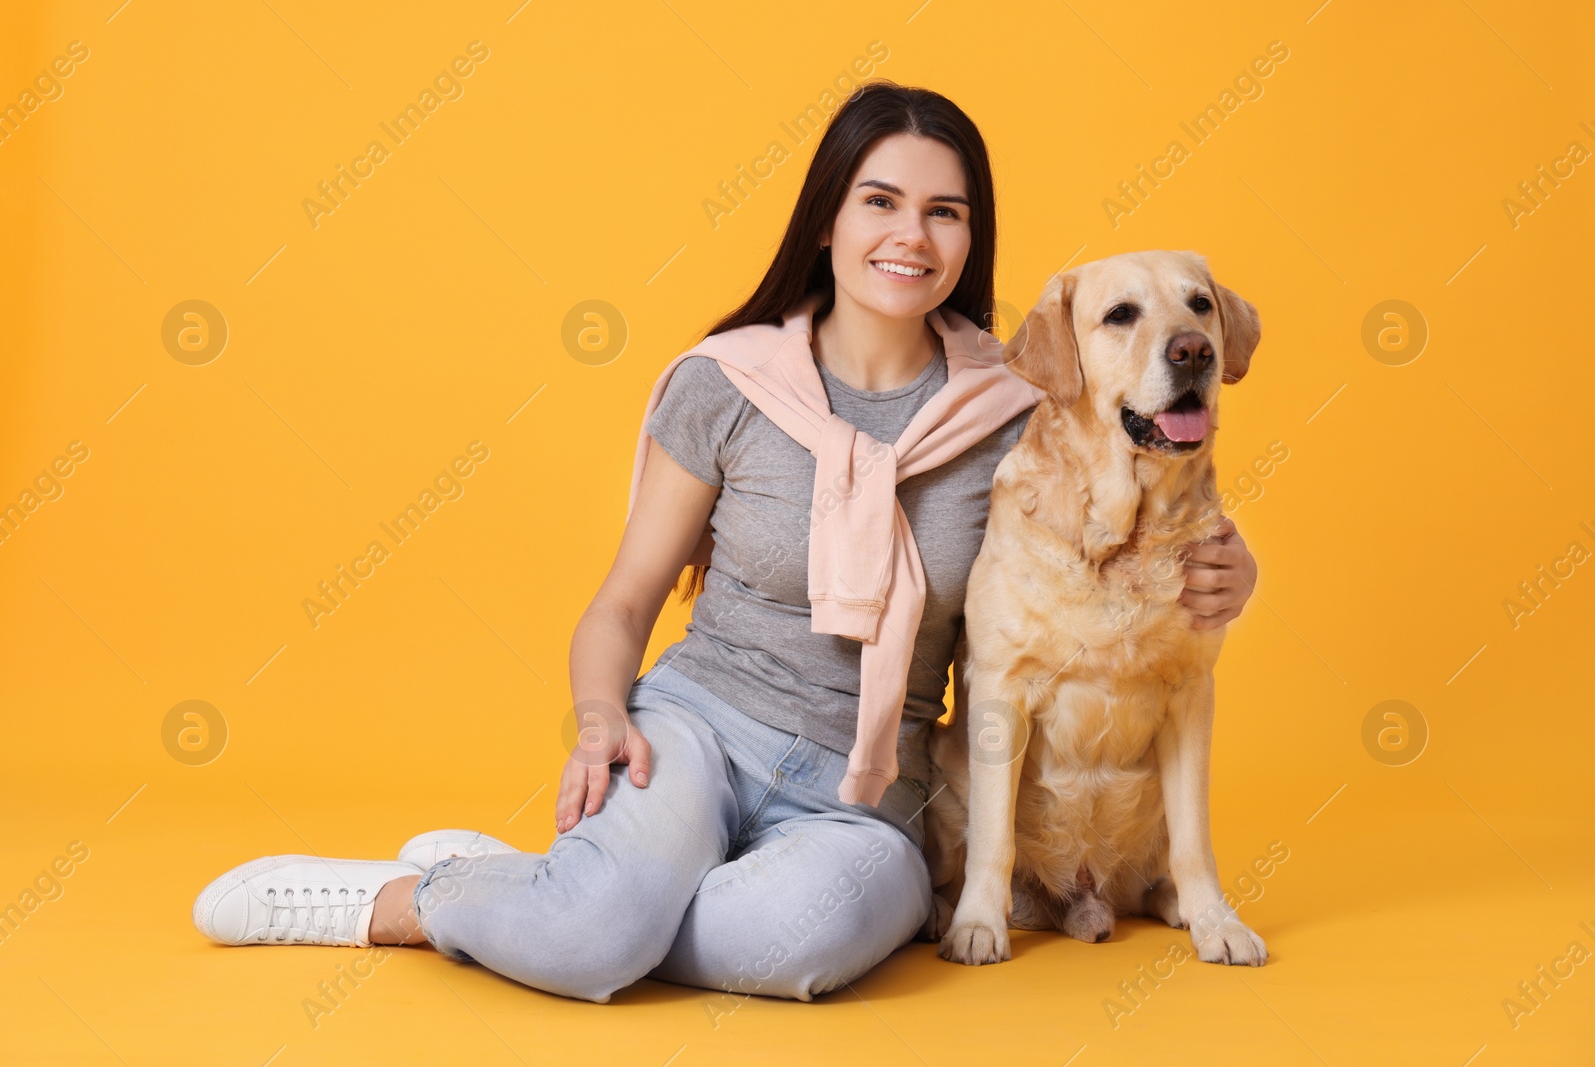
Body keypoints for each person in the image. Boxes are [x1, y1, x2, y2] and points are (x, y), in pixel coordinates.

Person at [190, 81, 1259, 1004]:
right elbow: (623, 600)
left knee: (786, 949)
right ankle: (417, 898)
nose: (912, 236)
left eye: (945, 212)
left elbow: (1114, 524)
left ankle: (583, 892)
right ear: (828, 218)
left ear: (971, 237)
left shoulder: (1016, 404)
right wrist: (604, 714)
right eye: (879, 201)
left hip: (871, 792)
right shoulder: (730, 383)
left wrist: (1232, 563)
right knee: (600, 933)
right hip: (702, 727)